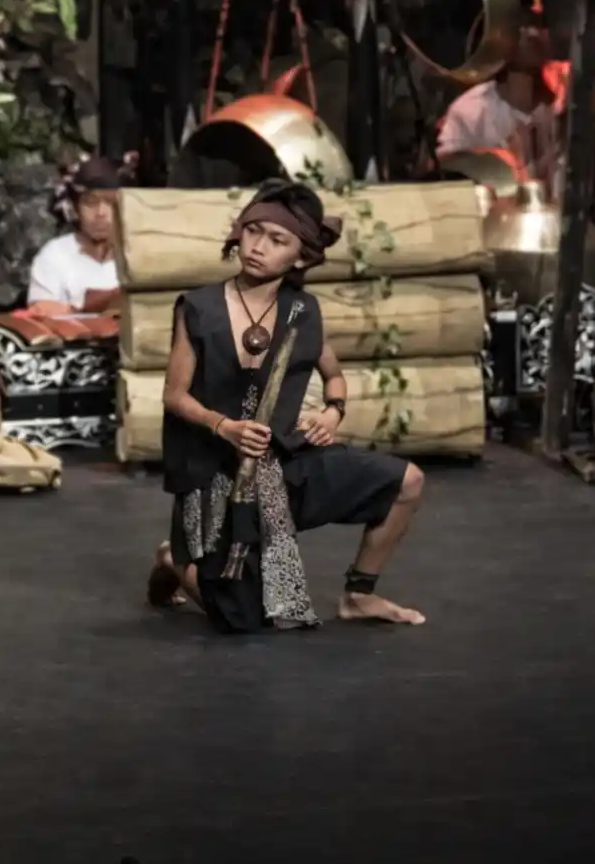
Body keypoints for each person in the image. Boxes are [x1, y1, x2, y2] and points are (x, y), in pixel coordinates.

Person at [145, 180, 426, 627]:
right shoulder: (198, 308)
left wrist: (332, 413)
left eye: (277, 240)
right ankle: (173, 559)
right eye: (253, 231)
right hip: (217, 474)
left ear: (300, 257)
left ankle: (359, 595)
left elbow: (333, 377)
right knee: (244, 620)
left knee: (406, 482)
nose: (258, 246)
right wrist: (224, 426)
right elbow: (174, 396)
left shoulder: (302, 312)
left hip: (284, 461)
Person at [437, 0, 563, 193]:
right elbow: (448, 178)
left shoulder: (567, 100)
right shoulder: (470, 112)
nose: (532, 33)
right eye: (521, 26)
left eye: (539, 24)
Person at [25, 152, 138, 316]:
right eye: (90, 202)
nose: (101, 212)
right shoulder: (55, 254)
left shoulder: (139, 253)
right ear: (75, 208)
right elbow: (41, 310)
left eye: (111, 202)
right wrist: (90, 305)